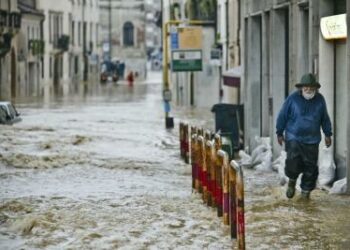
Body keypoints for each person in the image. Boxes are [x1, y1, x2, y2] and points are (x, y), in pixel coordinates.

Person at [276, 73, 332, 199]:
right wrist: (279, 132)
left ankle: (305, 193)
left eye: (311, 87)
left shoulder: (320, 100)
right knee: (293, 161)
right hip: (293, 137)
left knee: (310, 167)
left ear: (315, 88)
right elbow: (282, 115)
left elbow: (325, 118)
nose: (308, 89)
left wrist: (328, 134)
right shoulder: (292, 99)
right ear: (301, 88)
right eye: (306, 87)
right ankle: (292, 181)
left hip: (312, 140)